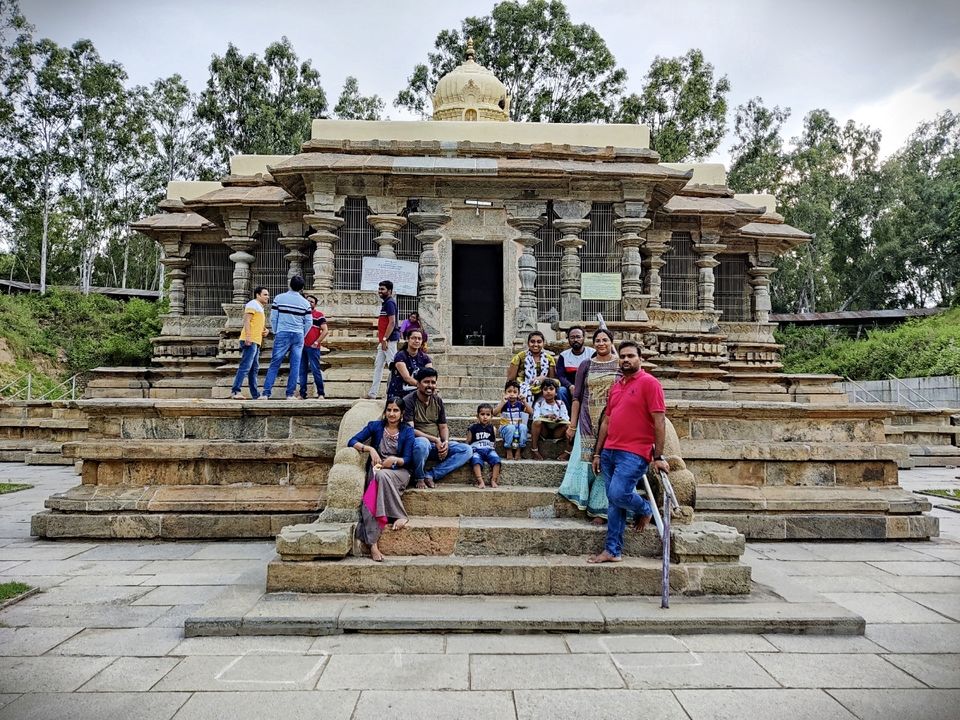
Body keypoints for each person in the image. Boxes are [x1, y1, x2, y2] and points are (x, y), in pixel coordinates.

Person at [587, 340, 669, 564]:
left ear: (639, 358)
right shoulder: (617, 386)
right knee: (614, 502)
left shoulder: (650, 383)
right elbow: (606, 421)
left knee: (617, 494)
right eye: (622, 356)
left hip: (634, 452)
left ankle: (645, 508)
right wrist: (597, 452)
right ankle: (613, 550)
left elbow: (659, 421)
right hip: (609, 451)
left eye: (631, 356)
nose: (625, 360)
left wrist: (658, 456)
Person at [558, 328, 620, 524]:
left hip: (614, 420)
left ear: (611, 342)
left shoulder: (620, 365)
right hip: (587, 419)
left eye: (605, 340)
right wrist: (572, 425)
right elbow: (576, 398)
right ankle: (585, 500)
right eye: (598, 340)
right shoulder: (586, 364)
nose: (601, 343)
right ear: (593, 344)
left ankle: (601, 508)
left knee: (607, 461)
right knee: (587, 462)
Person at [348, 397, 415, 562]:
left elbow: (408, 459)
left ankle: (400, 515)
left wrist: (394, 460)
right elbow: (352, 441)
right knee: (371, 496)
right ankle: (373, 545)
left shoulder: (407, 431)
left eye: (396, 410)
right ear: (385, 412)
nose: (392, 414)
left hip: (398, 472)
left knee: (382, 477)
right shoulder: (375, 426)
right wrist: (370, 448)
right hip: (377, 471)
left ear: (402, 413)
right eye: (389, 410)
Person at [403, 367, 472, 488]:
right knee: (422, 444)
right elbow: (410, 430)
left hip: (435, 445)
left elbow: (443, 427)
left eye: (433, 382)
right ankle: (419, 477)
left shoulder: (438, 401)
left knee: (466, 450)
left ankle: (431, 475)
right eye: (426, 382)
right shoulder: (409, 401)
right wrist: (435, 440)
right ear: (418, 384)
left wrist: (445, 442)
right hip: (417, 446)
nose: (430, 385)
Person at [263, 276, 312, 400]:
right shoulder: (305, 303)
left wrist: (276, 331)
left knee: (275, 363)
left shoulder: (279, 298)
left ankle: (266, 393)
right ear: (302, 288)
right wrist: (302, 333)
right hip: (298, 334)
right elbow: (309, 323)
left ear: (290, 284)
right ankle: (290, 394)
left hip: (282, 332)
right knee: (295, 365)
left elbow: (273, 317)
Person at [230, 286, 270, 399]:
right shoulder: (252, 304)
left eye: (267, 294)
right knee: (245, 366)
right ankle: (235, 391)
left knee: (254, 368)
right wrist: (248, 336)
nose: (268, 297)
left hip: (256, 341)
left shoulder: (260, 307)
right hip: (250, 340)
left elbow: (256, 324)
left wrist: (265, 330)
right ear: (258, 295)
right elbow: (246, 320)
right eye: (265, 294)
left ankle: (255, 394)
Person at [366, 280, 400, 399]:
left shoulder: (390, 303)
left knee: (394, 366)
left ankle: (394, 393)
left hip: (389, 340)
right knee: (378, 365)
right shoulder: (386, 303)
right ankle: (372, 393)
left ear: (389, 291)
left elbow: (392, 322)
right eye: (379, 289)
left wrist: (385, 338)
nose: (380, 291)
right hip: (384, 340)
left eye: (382, 289)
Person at [506, 330, 557, 406]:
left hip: (543, 390)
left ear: (543, 343)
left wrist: (543, 378)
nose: (535, 344)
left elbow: (552, 380)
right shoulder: (520, 357)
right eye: (532, 341)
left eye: (539, 342)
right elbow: (511, 379)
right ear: (528, 343)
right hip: (523, 390)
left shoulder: (549, 358)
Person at [555, 326, 595, 413]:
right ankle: (566, 416)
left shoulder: (592, 353)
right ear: (568, 339)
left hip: (587, 387)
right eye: (572, 337)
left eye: (578, 337)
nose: (575, 340)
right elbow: (560, 376)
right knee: (561, 391)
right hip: (570, 389)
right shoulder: (563, 356)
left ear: (583, 338)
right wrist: (570, 386)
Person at [530, 378, 571, 461]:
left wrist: (558, 418)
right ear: (542, 392)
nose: (548, 391)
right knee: (536, 422)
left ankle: (568, 452)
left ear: (556, 392)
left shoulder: (560, 404)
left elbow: (566, 418)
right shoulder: (539, 404)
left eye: (551, 389)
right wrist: (546, 416)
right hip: (544, 431)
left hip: (557, 431)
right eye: (545, 389)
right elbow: (535, 417)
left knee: (569, 426)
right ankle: (534, 449)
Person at [387, 328, 432, 399]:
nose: (417, 341)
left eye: (419, 339)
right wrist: (422, 386)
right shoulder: (400, 356)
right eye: (413, 338)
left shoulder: (425, 358)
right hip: (399, 392)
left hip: (419, 390)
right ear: (408, 339)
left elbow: (430, 375)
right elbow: (407, 378)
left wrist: (430, 386)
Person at [298, 295, 328, 400]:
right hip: (301, 346)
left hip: (313, 347)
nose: (309, 303)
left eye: (312, 301)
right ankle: (302, 394)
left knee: (315, 370)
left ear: (315, 304)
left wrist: (317, 342)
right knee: (302, 371)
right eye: (308, 301)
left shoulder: (319, 315)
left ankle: (321, 393)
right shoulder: (301, 315)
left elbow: (325, 330)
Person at [494, 380, 533, 461]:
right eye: (509, 391)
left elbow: (531, 412)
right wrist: (502, 402)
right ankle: (508, 449)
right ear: (504, 393)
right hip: (506, 428)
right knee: (511, 428)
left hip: (517, 429)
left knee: (523, 427)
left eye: (515, 392)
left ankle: (519, 449)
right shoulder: (503, 404)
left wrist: (524, 402)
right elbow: (494, 413)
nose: (512, 394)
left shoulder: (520, 404)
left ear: (518, 394)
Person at [468, 403, 501, 488]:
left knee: (497, 461)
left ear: (491, 416)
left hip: (489, 449)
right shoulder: (473, 428)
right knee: (475, 461)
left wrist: (493, 449)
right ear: (477, 416)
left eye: (488, 414)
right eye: (482, 414)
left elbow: (493, 441)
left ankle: (493, 480)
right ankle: (480, 481)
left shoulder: (492, 428)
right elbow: (468, 441)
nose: (485, 417)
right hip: (477, 450)